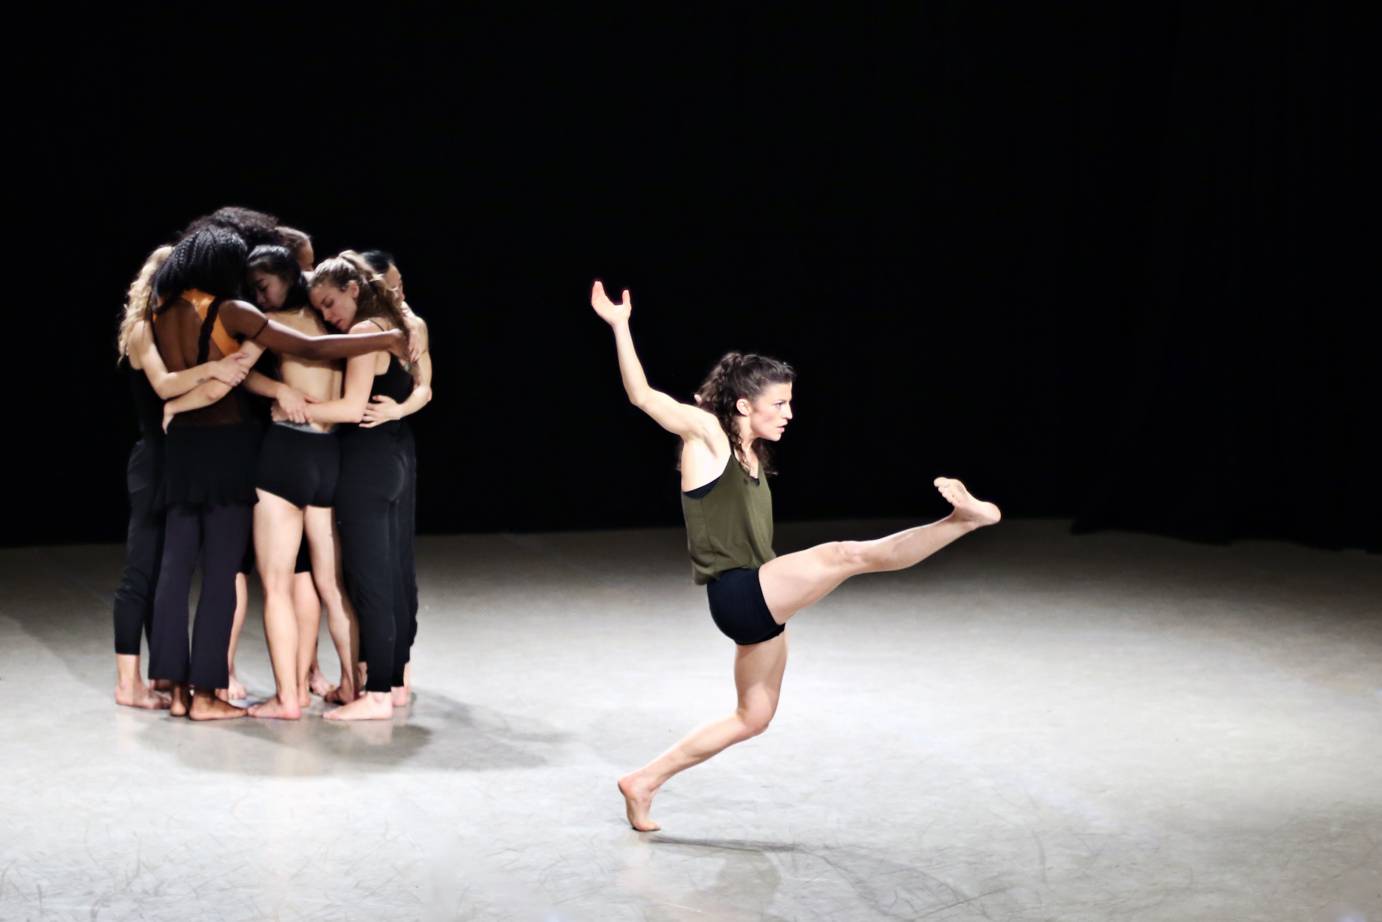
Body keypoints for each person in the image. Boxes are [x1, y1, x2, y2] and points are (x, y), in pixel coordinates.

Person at [589, 281, 1002, 831]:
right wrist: (620, 326)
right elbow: (643, 396)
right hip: (739, 590)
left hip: (756, 597)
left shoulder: (753, 454)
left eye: (790, 401)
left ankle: (642, 780)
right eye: (779, 403)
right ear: (743, 404)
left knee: (753, 717)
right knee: (846, 554)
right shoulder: (707, 437)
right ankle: (961, 521)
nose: (789, 413)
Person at [147, 227, 413, 720]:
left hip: (287, 452)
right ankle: (356, 686)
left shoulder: (265, 324)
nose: (257, 293)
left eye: (263, 284)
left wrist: (274, 393)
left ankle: (289, 696)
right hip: (330, 453)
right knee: (327, 583)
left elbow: (239, 371)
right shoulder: (340, 322)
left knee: (278, 582)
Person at [111, 245, 252, 708]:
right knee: (143, 573)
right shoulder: (142, 330)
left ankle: (167, 682)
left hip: (178, 455)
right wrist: (214, 368)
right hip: (155, 460)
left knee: (165, 571)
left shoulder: (175, 324)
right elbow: (165, 386)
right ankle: (130, 683)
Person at [302, 252, 418, 720]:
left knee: (369, 582)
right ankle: (393, 682)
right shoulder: (401, 327)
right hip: (392, 456)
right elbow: (423, 387)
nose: (328, 316)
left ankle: (377, 695)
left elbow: (350, 408)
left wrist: (298, 408)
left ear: (354, 290)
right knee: (389, 577)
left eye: (330, 303)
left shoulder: (362, 334)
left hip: (366, 465)